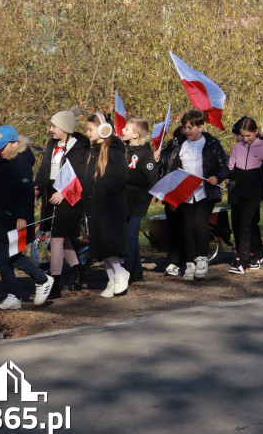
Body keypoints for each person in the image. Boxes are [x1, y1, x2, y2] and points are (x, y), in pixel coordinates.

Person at [0, 125, 53, 310]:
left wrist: (22, 215)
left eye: (2, 147)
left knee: (11, 256)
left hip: (16, 219)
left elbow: (25, 192)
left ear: (15, 144)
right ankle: (14, 295)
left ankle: (42, 279)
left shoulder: (20, 162)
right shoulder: (4, 159)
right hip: (1, 217)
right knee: (3, 259)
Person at [166, 108, 228, 281]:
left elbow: (225, 166)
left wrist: (218, 177)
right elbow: (168, 162)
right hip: (184, 193)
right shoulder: (179, 143)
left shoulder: (212, 144)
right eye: (185, 127)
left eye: (190, 128)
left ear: (201, 127)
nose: (187, 131)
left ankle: (202, 259)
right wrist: (158, 156)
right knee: (187, 227)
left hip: (204, 192)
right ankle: (189, 263)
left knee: (199, 226)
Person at [34, 110, 91, 295]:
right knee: (65, 238)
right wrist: (36, 188)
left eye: (54, 126)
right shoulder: (52, 144)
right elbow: (44, 170)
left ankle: (55, 282)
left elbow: (81, 177)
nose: (50, 130)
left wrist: (64, 193)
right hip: (52, 193)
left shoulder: (80, 148)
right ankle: (78, 271)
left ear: (66, 128)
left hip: (70, 197)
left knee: (57, 238)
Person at [81, 114, 130, 298]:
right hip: (95, 205)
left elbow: (120, 177)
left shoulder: (114, 150)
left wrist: (102, 189)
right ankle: (112, 279)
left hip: (109, 207)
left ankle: (120, 273)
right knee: (101, 246)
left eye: (90, 129)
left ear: (103, 129)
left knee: (109, 244)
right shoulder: (94, 150)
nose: (87, 133)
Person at [228, 117, 263, 274]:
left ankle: (242, 261)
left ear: (256, 132)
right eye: (242, 136)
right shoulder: (238, 147)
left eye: (248, 136)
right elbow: (230, 168)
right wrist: (231, 179)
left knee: (246, 223)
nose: (245, 139)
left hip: (255, 193)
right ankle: (257, 252)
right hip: (240, 192)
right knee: (245, 224)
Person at [121, 117, 157, 282]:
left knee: (131, 233)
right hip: (125, 198)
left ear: (135, 134)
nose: (123, 130)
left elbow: (149, 179)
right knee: (127, 235)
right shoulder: (125, 150)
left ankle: (128, 270)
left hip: (139, 200)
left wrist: (125, 175)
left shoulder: (146, 153)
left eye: (127, 129)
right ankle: (136, 270)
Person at [156, 125, 188, 276]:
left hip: (172, 196)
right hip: (178, 195)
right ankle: (179, 261)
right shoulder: (179, 151)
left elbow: (160, 174)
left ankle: (175, 261)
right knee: (181, 230)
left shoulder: (167, 152)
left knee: (175, 230)